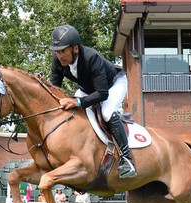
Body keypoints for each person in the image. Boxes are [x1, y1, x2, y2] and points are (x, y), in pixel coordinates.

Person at [49, 24, 136, 179]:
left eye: (63, 51)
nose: (60, 55)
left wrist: (77, 102)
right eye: (57, 51)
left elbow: (102, 94)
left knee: (107, 112)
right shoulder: (57, 62)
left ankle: (126, 158)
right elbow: (54, 89)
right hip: (87, 88)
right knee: (73, 112)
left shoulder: (91, 57)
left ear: (75, 48)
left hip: (113, 84)